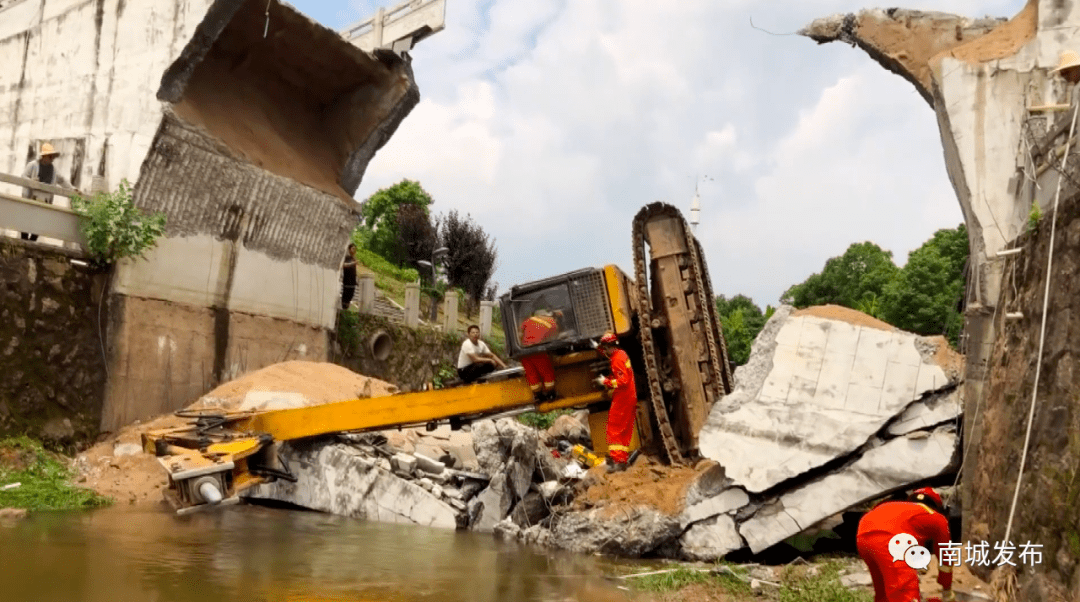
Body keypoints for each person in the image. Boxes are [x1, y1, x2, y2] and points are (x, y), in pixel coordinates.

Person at [856, 487, 955, 602]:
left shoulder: (901, 509)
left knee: (884, 594)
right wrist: (946, 588)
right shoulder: (937, 517)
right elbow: (945, 556)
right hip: (889, 539)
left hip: (863, 534)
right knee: (905, 594)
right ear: (936, 506)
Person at [594, 331, 639, 473]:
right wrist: (598, 347)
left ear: (609, 346)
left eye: (605, 348)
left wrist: (606, 381)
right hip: (629, 396)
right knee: (624, 430)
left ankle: (618, 461)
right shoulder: (621, 354)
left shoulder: (616, 359)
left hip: (623, 398)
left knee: (614, 429)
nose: (604, 351)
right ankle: (622, 459)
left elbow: (623, 381)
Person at [21, 142, 75, 241]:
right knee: (25, 223)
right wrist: (31, 182)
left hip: (45, 201)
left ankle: (31, 245)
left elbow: (62, 180)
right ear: (44, 156)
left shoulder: (54, 170)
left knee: (39, 226)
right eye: (50, 156)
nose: (52, 159)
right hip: (31, 199)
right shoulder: (33, 165)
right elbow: (23, 176)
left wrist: (72, 189)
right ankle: (23, 245)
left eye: (52, 157)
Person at [519, 309, 561, 401]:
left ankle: (538, 397)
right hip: (538, 350)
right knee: (546, 372)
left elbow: (520, 333)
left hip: (524, 351)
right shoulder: (552, 322)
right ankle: (551, 395)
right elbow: (555, 339)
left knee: (531, 373)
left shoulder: (529, 320)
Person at [341, 243, 357, 310]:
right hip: (347, 281)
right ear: (349, 249)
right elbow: (343, 265)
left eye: (354, 249)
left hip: (353, 281)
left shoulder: (353, 258)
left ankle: (346, 308)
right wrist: (352, 263)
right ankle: (343, 308)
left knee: (351, 295)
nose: (354, 250)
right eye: (352, 248)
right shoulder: (346, 257)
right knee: (346, 295)